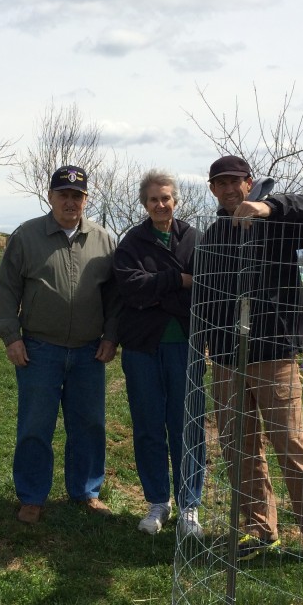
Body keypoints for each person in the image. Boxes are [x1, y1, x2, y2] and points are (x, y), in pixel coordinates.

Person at [194, 155, 303, 574]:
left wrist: (269, 207)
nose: (228, 189)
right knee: (239, 444)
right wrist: (209, 345)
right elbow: (207, 294)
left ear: (250, 183)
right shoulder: (214, 234)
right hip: (226, 357)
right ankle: (259, 527)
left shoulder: (275, 220)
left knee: (290, 443)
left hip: (273, 352)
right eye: (220, 183)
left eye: (235, 182)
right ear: (212, 190)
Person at [0, 165, 121, 524]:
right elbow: (6, 289)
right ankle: (32, 496)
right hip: (38, 349)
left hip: (88, 351)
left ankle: (86, 491)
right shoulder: (27, 236)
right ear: (50, 197)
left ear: (86, 200)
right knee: (35, 425)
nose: (70, 201)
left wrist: (111, 336)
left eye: (77, 196)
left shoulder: (104, 240)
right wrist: (11, 337)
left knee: (89, 424)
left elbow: (115, 296)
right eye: (63, 194)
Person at [113, 170, 206, 539]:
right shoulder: (131, 243)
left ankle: (190, 505)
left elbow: (204, 287)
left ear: (176, 200)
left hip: (185, 344)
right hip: (141, 347)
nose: (160, 204)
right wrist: (177, 280)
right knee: (148, 425)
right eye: (153, 199)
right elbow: (131, 289)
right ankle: (157, 502)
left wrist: (157, 290)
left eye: (166, 197)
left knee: (187, 425)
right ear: (144, 203)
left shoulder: (196, 240)